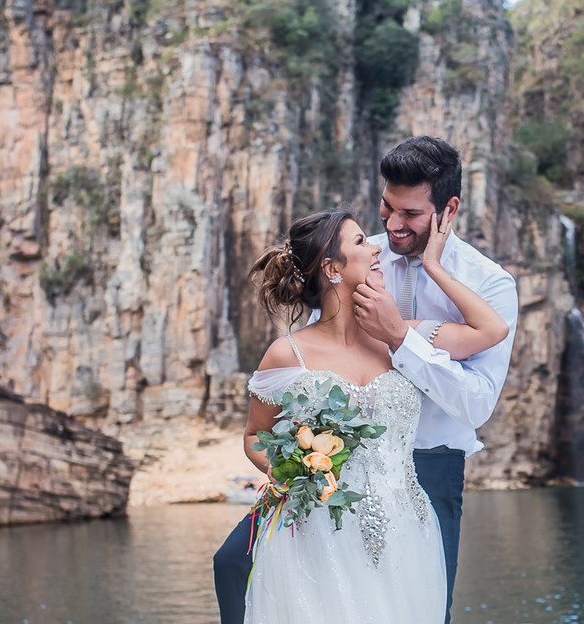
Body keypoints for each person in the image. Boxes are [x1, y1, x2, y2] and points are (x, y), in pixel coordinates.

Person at [214, 135, 519, 624]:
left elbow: (478, 403)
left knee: (421, 607)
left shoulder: (489, 283)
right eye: (386, 207)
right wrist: (292, 467)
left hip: (428, 467)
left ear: (448, 208)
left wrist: (405, 326)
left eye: (411, 214)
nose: (393, 226)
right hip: (330, 466)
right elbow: (312, 348)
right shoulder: (360, 253)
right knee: (234, 563)